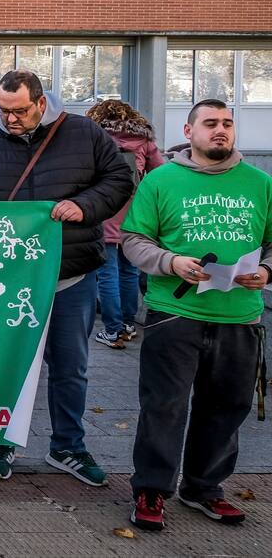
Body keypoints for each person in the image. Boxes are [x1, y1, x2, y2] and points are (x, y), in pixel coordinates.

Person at [0, 70, 133, 486]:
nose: (10, 119)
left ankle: (68, 445)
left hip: (70, 274)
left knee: (70, 365)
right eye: (2, 110)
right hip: (4, 280)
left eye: (19, 111)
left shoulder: (84, 133)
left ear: (41, 102)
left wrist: (85, 205)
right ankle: (0, 439)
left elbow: (119, 179)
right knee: (6, 362)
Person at [121, 99, 272, 532]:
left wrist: (265, 270)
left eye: (227, 123)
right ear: (189, 132)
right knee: (164, 405)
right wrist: (170, 262)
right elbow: (133, 240)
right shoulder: (161, 180)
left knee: (227, 406)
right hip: (175, 313)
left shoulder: (260, 183)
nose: (220, 130)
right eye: (210, 123)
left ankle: (204, 487)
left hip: (239, 316)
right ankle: (152, 488)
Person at [86, 99, 165, 349]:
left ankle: (113, 330)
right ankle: (129, 324)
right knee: (130, 270)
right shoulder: (144, 141)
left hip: (104, 209)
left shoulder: (95, 137)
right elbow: (160, 174)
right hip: (134, 213)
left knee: (106, 273)